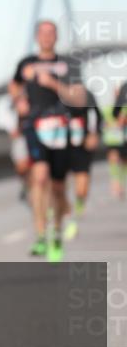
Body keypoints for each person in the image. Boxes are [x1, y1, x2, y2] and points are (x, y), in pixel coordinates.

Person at [9, 20, 86, 262]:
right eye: (42, 33)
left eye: (51, 33)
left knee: (58, 187)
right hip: (35, 126)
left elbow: (79, 97)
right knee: (39, 177)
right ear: (36, 37)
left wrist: (52, 83)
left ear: (56, 36)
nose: (46, 37)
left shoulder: (68, 65)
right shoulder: (25, 64)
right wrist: (19, 100)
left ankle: (57, 232)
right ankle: (41, 235)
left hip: (61, 128)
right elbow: (14, 85)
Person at [64, 89, 102, 240]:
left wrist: (94, 134)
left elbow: (96, 116)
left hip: (82, 144)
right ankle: (68, 219)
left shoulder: (86, 94)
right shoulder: (53, 91)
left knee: (81, 187)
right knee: (60, 186)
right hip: (60, 143)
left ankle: (78, 207)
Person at [9, 93, 33, 203]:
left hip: (34, 140)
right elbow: (13, 133)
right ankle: (25, 184)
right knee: (21, 168)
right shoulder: (13, 114)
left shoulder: (35, 109)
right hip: (21, 142)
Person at [105, 84, 127, 200]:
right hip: (112, 139)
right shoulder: (108, 107)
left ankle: (121, 183)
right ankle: (115, 184)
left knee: (124, 162)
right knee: (113, 160)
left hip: (124, 139)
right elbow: (105, 121)